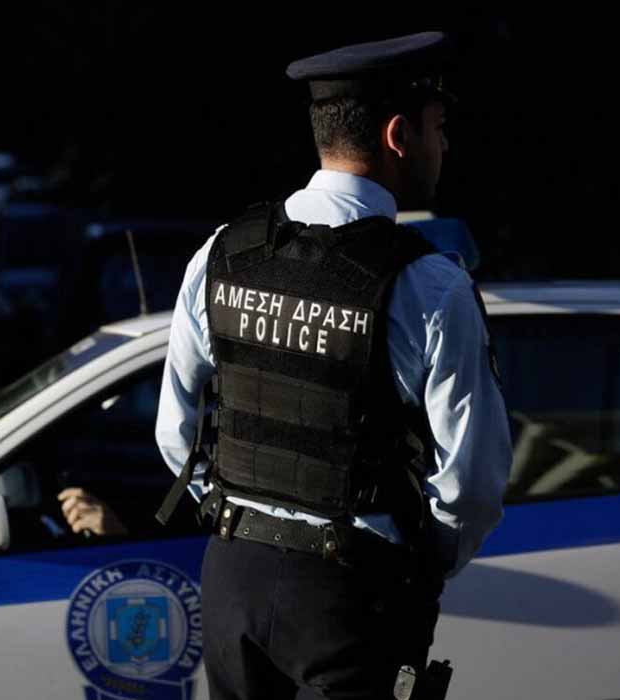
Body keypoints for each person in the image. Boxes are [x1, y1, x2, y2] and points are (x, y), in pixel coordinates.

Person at [153, 31, 513, 700]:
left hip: (231, 577)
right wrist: (417, 564)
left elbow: (176, 435)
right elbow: (471, 485)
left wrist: (240, 519)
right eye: (438, 128)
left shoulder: (222, 254)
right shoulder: (431, 286)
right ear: (398, 135)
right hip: (351, 596)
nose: (445, 146)